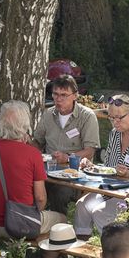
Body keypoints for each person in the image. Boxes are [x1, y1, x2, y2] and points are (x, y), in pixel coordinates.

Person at [74, 94, 129, 237]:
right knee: (81, 206)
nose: (114, 122)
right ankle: (86, 255)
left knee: (100, 213)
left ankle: (117, 253)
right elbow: (109, 166)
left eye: (119, 118)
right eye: (111, 117)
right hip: (111, 189)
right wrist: (93, 167)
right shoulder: (115, 134)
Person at [0, 100, 65, 240]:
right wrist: (33, 214)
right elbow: (40, 197)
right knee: (62, 219)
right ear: (25, 125)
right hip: (20, 225)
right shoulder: (33, 154)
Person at [32, 73, 101, 216]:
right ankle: (32, 224)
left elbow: (89, 151)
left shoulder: (86, 116)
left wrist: (67, 158)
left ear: (75, 96)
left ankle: (59, 230)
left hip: (76, 174)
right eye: (56, 94)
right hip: (48, 172)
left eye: (64, 95)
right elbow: (38, 144)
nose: (58, 99)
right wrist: (25, 142)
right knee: (29, 185)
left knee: (58, 192)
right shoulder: (48, 114)